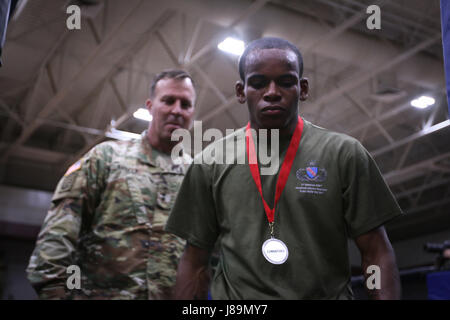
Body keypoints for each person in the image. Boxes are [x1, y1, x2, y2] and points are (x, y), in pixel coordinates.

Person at [165, 37, 403, 300]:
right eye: (258, 82)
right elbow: (195, 261)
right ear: (241, 92)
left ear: (302, 89)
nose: (272, 92)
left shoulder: (345, 154)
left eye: (286, 81)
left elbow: (376, 252)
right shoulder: (209, 163)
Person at [26, 69, 196, 299]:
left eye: (185, 104)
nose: (176, 110)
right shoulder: (105, 158)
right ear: (150, 105)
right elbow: (58, 236)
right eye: (168, 101)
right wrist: (56, 293)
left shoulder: (197, 176)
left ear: (193, 112)